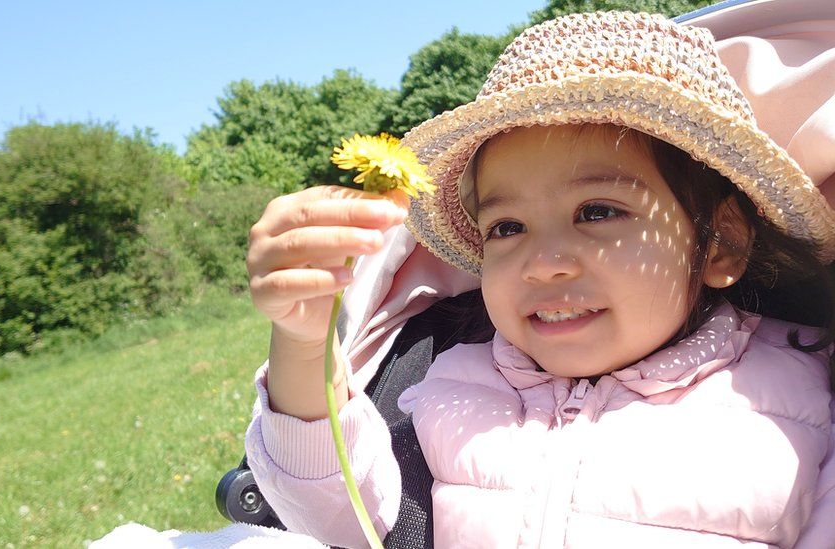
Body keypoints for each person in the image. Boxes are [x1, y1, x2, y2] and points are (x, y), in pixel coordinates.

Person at [244, 11, 835, 549]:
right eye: (506, 226)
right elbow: (337, 519)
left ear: (721, 243)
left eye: (597, 212)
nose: (543, 261)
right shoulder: (453, 378)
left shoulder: (796, 406)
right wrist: (302, 343)